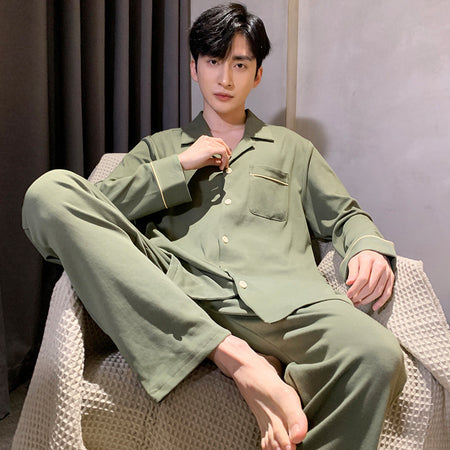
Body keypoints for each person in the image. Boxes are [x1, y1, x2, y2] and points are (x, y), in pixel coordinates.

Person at [22, 3, 406, 449]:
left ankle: (253, 365)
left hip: (284, 302)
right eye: (213, 61)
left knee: (377, 355)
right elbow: (91, 212)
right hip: (176, 292)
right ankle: (237, 357)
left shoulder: (292, 149)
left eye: (239, 64)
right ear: (194, 68)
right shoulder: (160, 148)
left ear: (257, 74)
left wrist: (366, 246)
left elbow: (345, 215)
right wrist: (180, 166)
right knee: (49, 191)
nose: (225, 78)